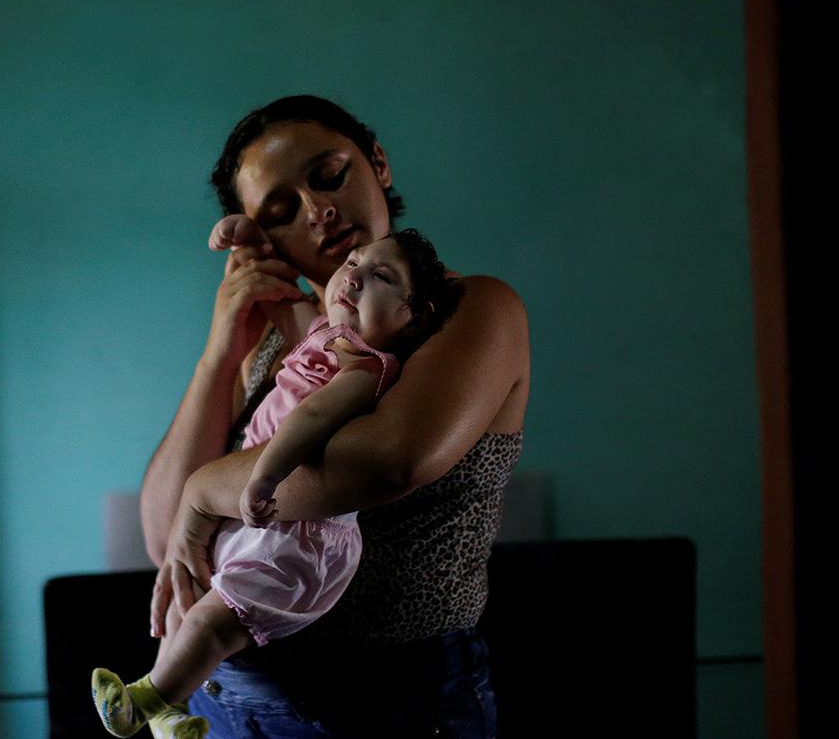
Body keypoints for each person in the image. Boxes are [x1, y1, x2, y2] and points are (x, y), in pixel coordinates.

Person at [139, 95, 531, 738]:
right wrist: (221, 348)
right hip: (219, 701)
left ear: (377, 163)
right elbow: (165, 544)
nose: (317, 211)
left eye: (328, 176)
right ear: (260, 236)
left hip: (391, 706)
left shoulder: (471, 309)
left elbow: (385, 460)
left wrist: (203, 492)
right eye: (281, 210)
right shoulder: (272, 343)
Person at [92, 226, 461, 739]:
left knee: (208, 626)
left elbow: (309, 419)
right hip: (259, 511)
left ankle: (143, 702)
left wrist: (262, 479)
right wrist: (249, 236)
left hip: (294, 533)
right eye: (352, 264)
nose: (353, 277)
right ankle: (167, 712)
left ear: (412, 315)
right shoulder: (329, 335)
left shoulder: (367, 366)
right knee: (192, 596)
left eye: (380, 276)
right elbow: (286, 301)